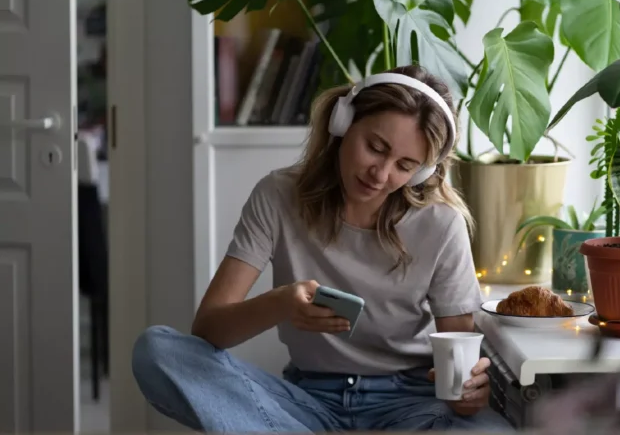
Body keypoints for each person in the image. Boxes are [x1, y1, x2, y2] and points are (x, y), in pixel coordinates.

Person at [131, 65, 511, 432]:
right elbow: (209, 329)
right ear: (343, 123)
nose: (381, 174)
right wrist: (280, 303)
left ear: (424, 172)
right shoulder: (277, 196)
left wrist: (468, 393)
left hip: (410, 403)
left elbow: (461, 359)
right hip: (305, 402)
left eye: (405, 165)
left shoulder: (441, 224)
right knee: (159, 351)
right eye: (375, 147)